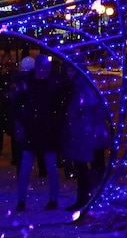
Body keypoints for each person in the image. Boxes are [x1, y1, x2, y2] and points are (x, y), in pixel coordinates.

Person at [14, 54, 67, 211]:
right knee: (26, 167)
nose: (46, 70)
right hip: (34, 130)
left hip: (47, 131)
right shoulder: (30, 84)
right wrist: (24, 121)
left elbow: (58, 107)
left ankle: (52, 199)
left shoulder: (50, 84)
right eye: (45, 67)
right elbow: (17, 105)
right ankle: (22, 200)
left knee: (50, 166)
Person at [61, 65, 110, 211]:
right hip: (91, 130)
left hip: (85, 131)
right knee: (93, 165)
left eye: (70, 70)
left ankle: (86, 198)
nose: (68, 73)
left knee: (83, 166)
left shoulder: (81, 84)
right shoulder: (87, 82)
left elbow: (81, 105)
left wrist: (70, 112)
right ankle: (91, 197)